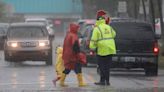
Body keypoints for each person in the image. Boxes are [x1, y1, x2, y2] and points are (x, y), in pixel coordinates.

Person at [89, 10, 116, 86]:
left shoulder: (97, 28)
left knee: (101, 66)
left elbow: (94, 40)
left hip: (102, 49)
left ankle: (102, 81)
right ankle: (107, 81)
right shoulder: (108, 27)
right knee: (107, 66)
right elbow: (114, 34)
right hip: (110, 48)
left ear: (97, 20)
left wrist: (92, 48)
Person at [60, 23, 86, 87]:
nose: (78, 29)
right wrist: (79, 54)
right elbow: (75, 46)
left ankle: (61, 82)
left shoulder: (68, 35)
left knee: (68, 68)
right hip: (73, 55)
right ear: (75, 29)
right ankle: (81, 83)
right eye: (77, 28)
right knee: (78, 67)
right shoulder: (74, 36)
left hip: (67, 55)